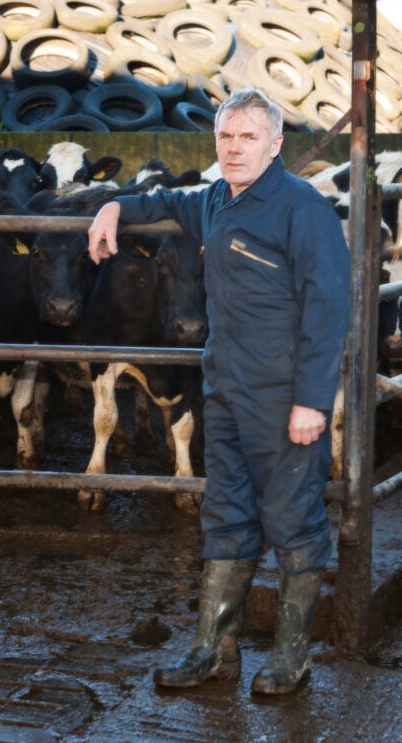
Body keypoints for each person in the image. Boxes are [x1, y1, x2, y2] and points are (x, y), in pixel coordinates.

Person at [86, 88, 351, 696]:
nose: (234, 149)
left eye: (248, 137)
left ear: (276, 145)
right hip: (225, 389)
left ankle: (292, 656)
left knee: (292, 518)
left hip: (284, 395)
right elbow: (164, 199)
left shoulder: (301, 208)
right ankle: (213, 649)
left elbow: (330, 306)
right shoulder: (213, 201)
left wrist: (313, 399)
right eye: (226, 138)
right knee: (226, 516)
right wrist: (112, 207)